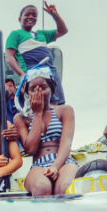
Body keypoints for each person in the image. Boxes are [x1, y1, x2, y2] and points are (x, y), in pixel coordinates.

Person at [14, 67, 78, 196]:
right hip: (39, 164)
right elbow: (31, 150)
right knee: (41, 187)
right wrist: (37, 113)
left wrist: (55, 166)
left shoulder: (65, 110)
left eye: (43, 88)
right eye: (33, 90)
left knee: (65, 187)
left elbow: (66, 143)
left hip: (64, 161)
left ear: (52, 90)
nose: (39, 93)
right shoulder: (21, 118)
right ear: (27, 93)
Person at [5, 3, 67, 105]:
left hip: (51, 72)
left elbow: (63, 31)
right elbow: (9, 57)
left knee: (59, 105)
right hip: (34, 73)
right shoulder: (15, 34)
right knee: (42, 104)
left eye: (34, 15)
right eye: (27, 14)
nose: (31, 17)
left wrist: (55, 15)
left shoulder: (41, 34)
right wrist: (21, 74)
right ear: (20, 19)